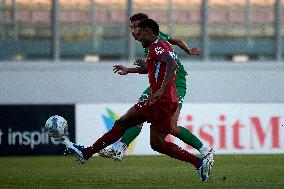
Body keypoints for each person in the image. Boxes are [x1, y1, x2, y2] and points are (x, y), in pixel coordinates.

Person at [65, 19, 213, 182]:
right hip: (168, 101)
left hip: (160, 100)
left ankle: (87, 153)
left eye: (140, 33)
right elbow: (157, 66)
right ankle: (199, 163)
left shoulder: (157, 46)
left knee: (123, 123)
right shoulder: (159, 46)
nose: (137, 36)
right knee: (157, 144)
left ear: (149, 32)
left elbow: (172, 65)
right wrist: (129, 70)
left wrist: (160, 90)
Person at [98, 13, 213, 162]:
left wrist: (189, 51)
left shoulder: (155, 41)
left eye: (135, 27)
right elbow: (172, 45)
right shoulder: (150, 41)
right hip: (161, 84)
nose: (133, 31)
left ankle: (205, 150)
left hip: (175, 83)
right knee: (139, 113)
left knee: (171, 126)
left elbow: (170, 60)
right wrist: (128, 69)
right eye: (131, 27)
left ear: (144, 28)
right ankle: (119, 148)